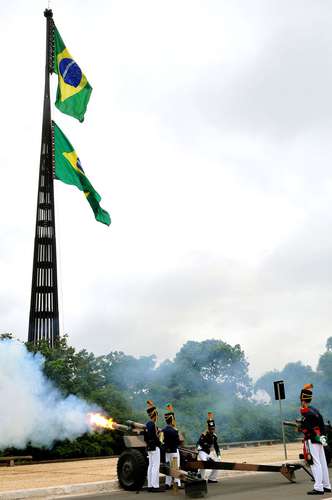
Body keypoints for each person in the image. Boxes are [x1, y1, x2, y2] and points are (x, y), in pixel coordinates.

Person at [298, 384, 331, 496]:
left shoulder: (306, 412)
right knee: (322, 462)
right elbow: (320, 425)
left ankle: (318, 488)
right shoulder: (315, 410)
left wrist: (302, 428)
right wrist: (322, 437)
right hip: (320, 438)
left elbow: (307, 426)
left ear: (303, 401)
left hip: (312, 439)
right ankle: (326, 486)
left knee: (315, 463)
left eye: (301, 400)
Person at [144, 400, 164, 493]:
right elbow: (155, 437)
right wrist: (160, 444)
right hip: (154, 447)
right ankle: (155, 486)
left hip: (149, 447)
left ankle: (150, 485)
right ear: (154, 415)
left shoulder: (147, 424)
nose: (157, 417)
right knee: (155, 466)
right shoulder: (153, 425)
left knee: (151, 466)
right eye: (156, 415)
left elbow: (145, 437)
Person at [197, 412, 221, 483]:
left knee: (217, 462)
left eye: (213, 429)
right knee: (204, 463)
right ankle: (201, 478)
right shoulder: (204, 435)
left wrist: (218, 455)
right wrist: (200, 448)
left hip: (208, 452)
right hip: (202, 451)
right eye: (211, 429)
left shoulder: (214, 436)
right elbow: (199, 443)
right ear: (208, 428)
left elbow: (216, 446)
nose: (212, 430)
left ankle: (212, 478)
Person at [161, 404, 181, 490]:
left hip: (167, 452)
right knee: (175, 468)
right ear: (172, 421)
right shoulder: (175, 431)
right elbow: (178, 442)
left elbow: (161, 442)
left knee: (168, 468)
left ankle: (167, 484)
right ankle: (176, 483)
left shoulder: (163, 430)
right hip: (174, 451)